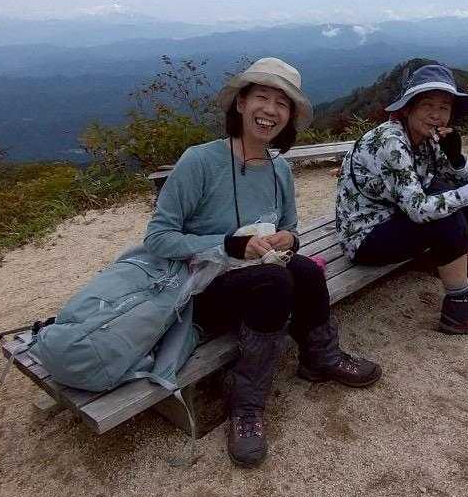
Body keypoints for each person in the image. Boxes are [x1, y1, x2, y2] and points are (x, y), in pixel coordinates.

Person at [144, 57, 381, 468]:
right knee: (275, 280)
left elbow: (290, 230)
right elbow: (158, 238)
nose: (270, 110)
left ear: (289, 117)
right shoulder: (200, 162)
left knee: (303, 269)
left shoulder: (279, 169)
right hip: (198, 289)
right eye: (262, 97)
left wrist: (290, 239)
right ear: (240, 103)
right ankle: (246, 405)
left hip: (258, 283)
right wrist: (230, 245)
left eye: (282, 103)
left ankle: (321, 357)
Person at [335, 62, 468, 335]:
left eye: (444, 107)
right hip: (365, 236)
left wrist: (456, 158)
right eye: (427, 105)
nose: (436, 115)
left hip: (396, 219)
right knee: (446, 215)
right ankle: (460, 310)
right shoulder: (390, 141)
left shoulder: (427, 137)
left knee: (461, 196)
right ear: (408, 108)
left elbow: (466, 181)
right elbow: (419, 209)